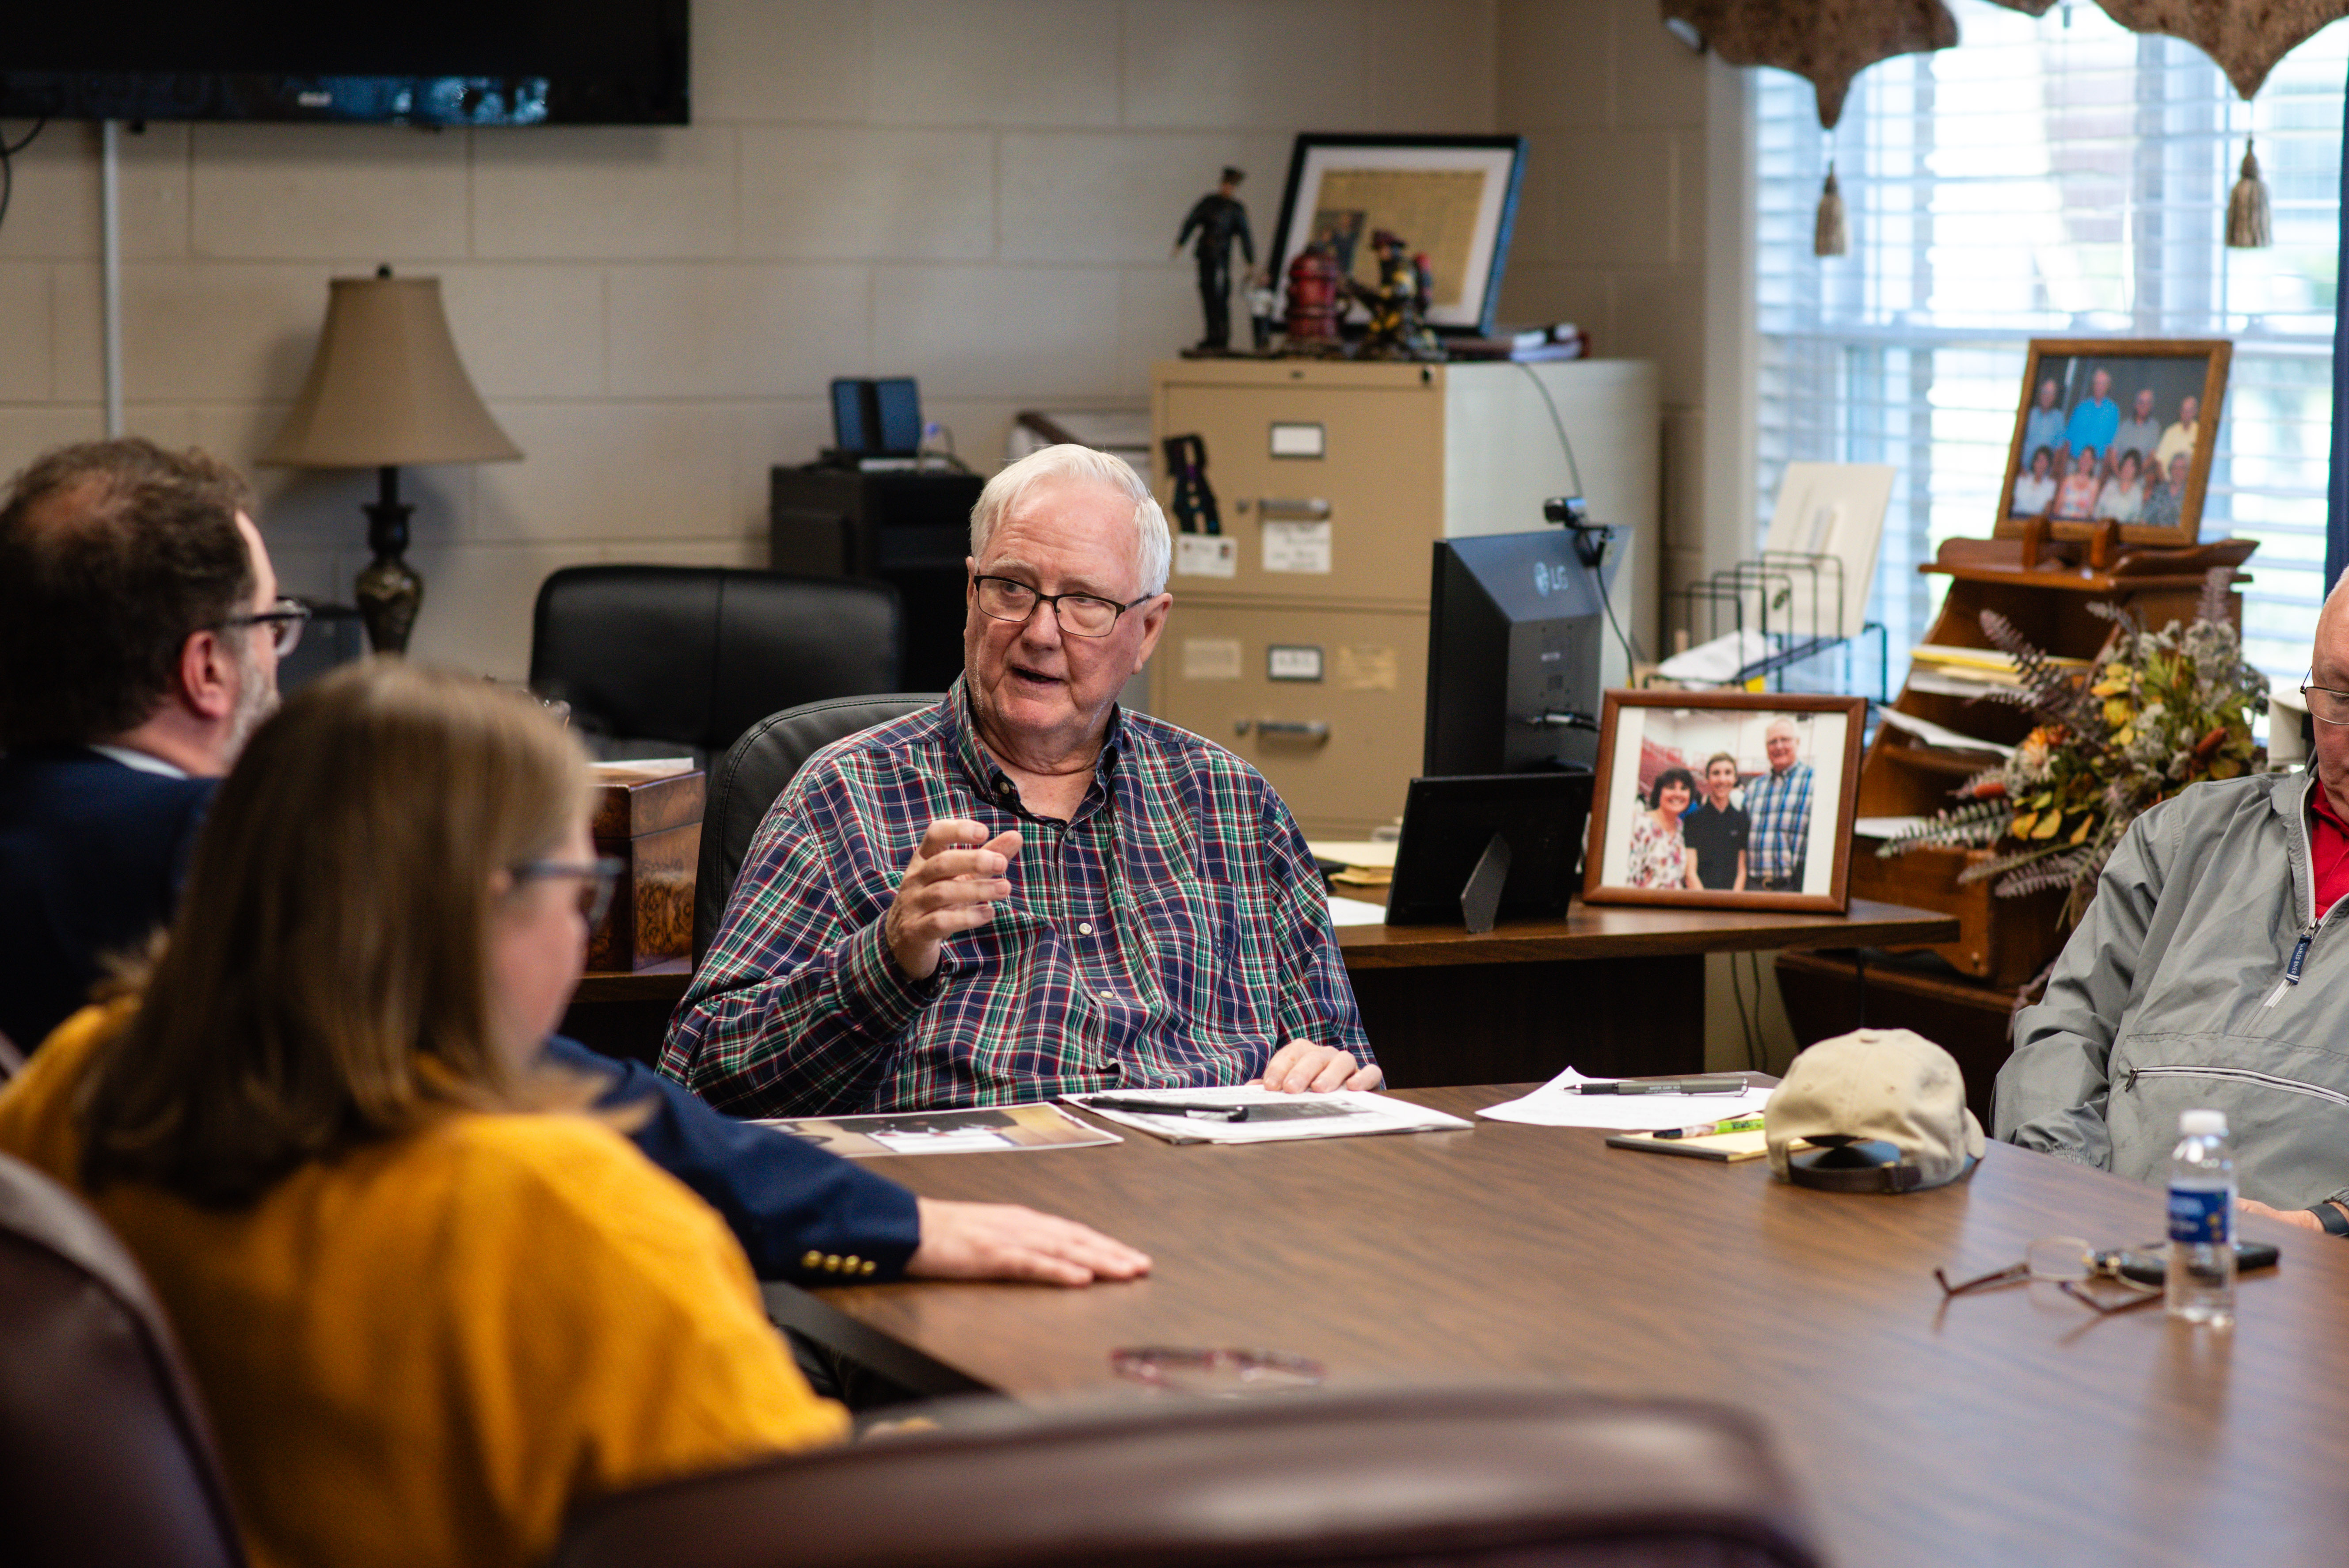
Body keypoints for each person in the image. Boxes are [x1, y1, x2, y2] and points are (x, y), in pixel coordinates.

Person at [0, 438, 1147, 1292]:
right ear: (208, 668)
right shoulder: (215, 854)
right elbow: (520, 1077)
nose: (279, 660)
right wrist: (898, 1223)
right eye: (272, 628)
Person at [0, 664, 850, 1567]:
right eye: (580, 892)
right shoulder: (572, 1215)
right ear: (482, 906)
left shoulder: (84, 1076)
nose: (577, 931)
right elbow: (808, 1530)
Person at [666, 443, 1377, 1117]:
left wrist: (1328, 1074)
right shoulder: (845, 795)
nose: (1041, 632)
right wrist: (887, 957)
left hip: (1205, 1202)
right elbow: (695, 1081)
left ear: (1149, 630)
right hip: (969, 1202)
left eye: (1085, 603)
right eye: (1012, 589)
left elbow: (1343, 1058)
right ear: (970, 593)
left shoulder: (1232, 805)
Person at [1995, 575, 2349, 1233]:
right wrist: (2073, 1188)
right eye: (2340, 698)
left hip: (2310, 1293)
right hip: (2096, 1247)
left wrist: (2329, 1226)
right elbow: (2061, 1034)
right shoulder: (2182, 838)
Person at [1172, 166, 1253, 352]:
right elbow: (1191, 221)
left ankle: (1222, 336)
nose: (1227, 188)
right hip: (1206, 255)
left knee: (1222, 294)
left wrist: (1250, 260)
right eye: (1226, 184)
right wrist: (1181, 242)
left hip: (1223, 257)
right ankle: (1212, 335)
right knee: (1208, 294)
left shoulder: (1236, 209)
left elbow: (1245, 235)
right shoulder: (1208, 203)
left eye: (1231, 185)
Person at [1743, 718, 1813, 894]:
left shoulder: (1815, 783)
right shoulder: (1754, 788)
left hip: (1793, 887)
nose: (1779, 746)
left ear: (1798, 743)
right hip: (1753, 887)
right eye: (1772, 742)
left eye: (1785, 740)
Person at [1625, 767, 1702, 891]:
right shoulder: (1641, 824)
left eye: (1684, 789)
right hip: (1641, 905)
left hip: (1673, 907)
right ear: (1659, 792)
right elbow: (1629, 877)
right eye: (1671, 788)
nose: (1678, 794)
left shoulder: (1682, 829)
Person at [1682, 753, 1749, 892]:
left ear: (1735, 778)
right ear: (1707, 778)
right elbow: (1690, 873)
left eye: (1728, 773)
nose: (1722, 779)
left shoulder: (1742, 819)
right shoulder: (1693, 819)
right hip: (1700, 902)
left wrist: (1732, 904)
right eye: (1716, 773)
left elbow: (1742, 871)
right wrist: (1706, 905)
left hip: (1731, 904)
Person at [2063, 367, 2119, 458]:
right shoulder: (2081, 408)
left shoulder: (2113, 411)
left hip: (2097, 464)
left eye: (2103, 384)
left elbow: (2111, 445)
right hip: (2075, 460)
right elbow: (2068, 439)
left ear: (2108, 386)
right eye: (2097, 383)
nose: (2099, 387)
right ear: (2093, 385)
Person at [2021, 377, 2067, 468]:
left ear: (2054, 397)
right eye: (2045, 392)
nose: (2047, 397)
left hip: (2044, 476)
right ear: (2040, 394)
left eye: (2051, 394)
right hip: (2023, 471)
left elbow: (2059, 449)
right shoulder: (2029, 415)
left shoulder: (2059, 419)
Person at [2140, 450, 2192, 530]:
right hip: (2154, 535)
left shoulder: (2190, 494)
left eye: (2182, 468)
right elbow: (2146, 516)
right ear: (2170, 470)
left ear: (2188, 471)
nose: (2178, 472)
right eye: (2174, 468)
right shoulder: (2160, 489)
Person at [2092, 447, 2145, 523]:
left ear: (2136, 470)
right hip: (2102, 527)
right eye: (2126, 464)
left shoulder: (2137, 492)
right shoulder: (2111, 484)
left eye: (2132, 466)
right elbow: (2099, 508)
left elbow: (2135, 518)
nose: (2127, 468)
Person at [2052, 445, 2102, 521]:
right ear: (2080, 459)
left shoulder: (2094, 484)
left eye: (2089, 458)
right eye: (2084, 457)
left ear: (2093, 463)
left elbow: (2090, 512)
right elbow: (2057, 508)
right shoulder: (2068, 480)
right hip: (2062, 522)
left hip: (2081, 525)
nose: (2086, 461)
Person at [2154, 393, 2200, 472]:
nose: (2186, 415)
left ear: (2195, 412)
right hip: (2169, 482)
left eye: (2189, 411)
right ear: (2180, 412)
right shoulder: (2170, 431)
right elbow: (2159, 461)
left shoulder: (2200, 433)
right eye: (2184, 411)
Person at [2114, 386, 2161, 462]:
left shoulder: (2155, 428)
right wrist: (2119, 473)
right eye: (2141, 402)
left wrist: (2137, 473)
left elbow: (2152, 456)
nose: (2144, 406)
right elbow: (2113, 453)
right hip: (2121, 470)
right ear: (2135, 405)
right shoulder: (2125, 425)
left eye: (2148, 403)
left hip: (2141, 473)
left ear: (2151, 406)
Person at [2010, 446, 2057, 516]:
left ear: (2048, 464)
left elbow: (2047, 510)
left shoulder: (2051, 485)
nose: (2041, 465)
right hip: (2016, 519)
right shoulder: (2022, 480)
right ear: (2034, 462)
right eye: (2039, 461)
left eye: (2044, 461)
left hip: (2035, 522)